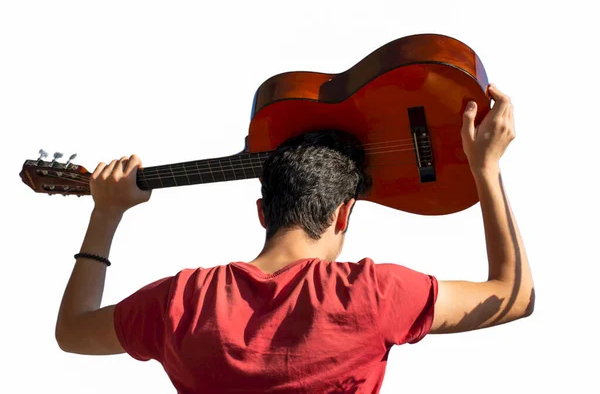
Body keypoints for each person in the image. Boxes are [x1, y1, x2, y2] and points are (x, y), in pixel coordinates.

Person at [55, 84, 534, 393]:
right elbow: (512, 296)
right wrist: (485, 168)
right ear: (344, 214)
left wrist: (106, 212)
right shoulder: (372, 295)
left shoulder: (181, 302)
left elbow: (72, 331)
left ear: (263, 212)